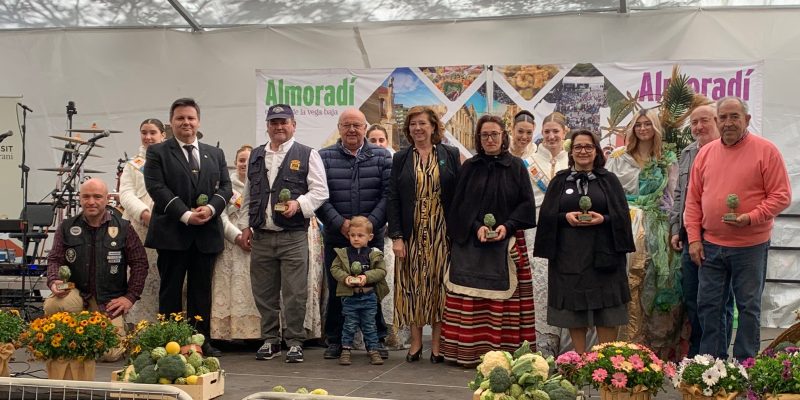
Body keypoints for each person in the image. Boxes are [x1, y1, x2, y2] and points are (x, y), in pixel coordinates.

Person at [685, 96, 791, 361]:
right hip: (710, 246)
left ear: (747, 120)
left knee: (748, 308)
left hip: (750, 246)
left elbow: (781, 196)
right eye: (723, 117)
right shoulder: (706, 153)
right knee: (709, 307)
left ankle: (746, 366)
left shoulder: (766, 151)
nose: (729, 123)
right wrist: (694, 239)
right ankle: (713, 365)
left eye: (735, 117)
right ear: (717, 121)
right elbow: (693, 200)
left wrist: (752, 217)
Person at [441, 114, 536, 366]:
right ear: (479, 139)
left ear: (504, 136)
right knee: (471, 300)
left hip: (508, 243)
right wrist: (476, 227)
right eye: (485, 135)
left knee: (504, 302)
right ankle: (468, 353)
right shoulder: (469, 167)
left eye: (495, 134)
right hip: (472, 241)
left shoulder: (516, 166)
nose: (490, 139)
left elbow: (526, 204)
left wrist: (507, 226)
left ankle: (504, 355)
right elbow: (458, 207)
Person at [239, 104, 329, 363]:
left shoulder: (307, 154)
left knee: (295, 292)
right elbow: (248, 196)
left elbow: (320, 191)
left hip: (293, 237)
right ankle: (270, 339)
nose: (279, 126)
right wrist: (246, 226)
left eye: (284, 122)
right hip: (262, 236)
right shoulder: (256, 155)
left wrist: (298, 205)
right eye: (274, 122)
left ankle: (295, 341)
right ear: (267, 126)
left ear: (293, 125)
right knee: (264, 292)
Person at [143, 98, 232, 357]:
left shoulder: (214, 153)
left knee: (201, 292)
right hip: (172, 233)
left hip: (206, 234)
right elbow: (156, 188)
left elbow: (226, 187)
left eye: (191, 118)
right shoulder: (158, 152)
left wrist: (212, 208)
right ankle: (169, 343)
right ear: (171, 123)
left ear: (198, 121)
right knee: (170, 291)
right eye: (180, 118)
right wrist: (185, 214)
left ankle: (199, 343)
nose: (186, 122)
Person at [533, 130, 635, 353]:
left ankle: (605, 360)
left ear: (596, 150)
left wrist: (603, 218)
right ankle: (579, 361)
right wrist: (565, 217)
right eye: (578, 147)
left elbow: (621, 216)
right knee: (574, 310)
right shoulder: (560, 180)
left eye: (588, 146)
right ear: (571, 151)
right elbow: (547, 216)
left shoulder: (609, 180)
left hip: (604, 257)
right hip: (569, 258)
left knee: (607, 310)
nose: (583, 151)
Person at [317, 108, 392, 360]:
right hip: (337, 236)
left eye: (357, 125)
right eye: (346, 125)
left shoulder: (382, 156)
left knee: (373, 284)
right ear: (339, 128)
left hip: (372, 237)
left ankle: (377, 339)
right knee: (338, 286)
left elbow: (388, 194)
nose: (352, 130)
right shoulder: (323, 157)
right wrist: (339, 223)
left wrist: (368, 226)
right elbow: (318, 194)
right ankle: (336, 340)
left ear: (365, 128)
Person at [45, 178, 148, 362]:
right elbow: (55, 259)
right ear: (80, 198)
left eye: (97, 197)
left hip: (107, 300)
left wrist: (129, 297)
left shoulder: (123, 228)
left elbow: (140, 263)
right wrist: (54, 280)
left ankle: (91, 334)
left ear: (107, 198)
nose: (91, 201)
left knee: (110, 354)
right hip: (76, 292)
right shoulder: (67, 227)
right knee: (53, 305)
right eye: (86, 196)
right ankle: (72, 337)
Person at [606, 108, 681, 360]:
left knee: (656, 283)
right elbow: (607, 192)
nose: (643, 128)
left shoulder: (666, 158)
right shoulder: (619, 157)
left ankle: (654, 348)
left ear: (656, 127)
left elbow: (673, 195)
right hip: (626, 226)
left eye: (648, 124)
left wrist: (672, 229)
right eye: (638, 124)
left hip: (656, 229)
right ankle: (626, 345)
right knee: (628, 282)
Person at [388, 106, 460, 363]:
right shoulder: (401, 158)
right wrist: (396, 236)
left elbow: (459, 196)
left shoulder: (450, 154)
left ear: (433, 127)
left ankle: (438, 345)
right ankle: (416, 343)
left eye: (422, 124)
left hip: (443, 231)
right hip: (412, 232)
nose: (417, 129)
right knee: (413, 286)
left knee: (441, 286)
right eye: (412, 125)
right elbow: (393, 198)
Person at [668, 102, 735, 358]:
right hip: (689, 236)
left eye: (704, 120)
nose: (699, 127)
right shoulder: (687, 153)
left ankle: (719, 357)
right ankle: (698, 354)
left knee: (720, 302)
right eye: (694, 122)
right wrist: (676, 228)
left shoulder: (729, 152)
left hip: (717, 238)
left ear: (717, 121)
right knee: (693, 299)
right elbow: (679, 194)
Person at [509, 111, 570, 356]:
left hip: (567, 229)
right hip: (535, 229)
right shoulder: (529, 162)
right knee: (538, 284)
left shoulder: (572, 160)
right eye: (547, 132)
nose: (552, 136)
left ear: (564, 133)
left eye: (556, 131)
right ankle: (540, 342)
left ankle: (566, 342)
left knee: (565, 281)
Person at [210, 144, 261, 341]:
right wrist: (237, 236)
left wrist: (251, 235)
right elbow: (220, 216)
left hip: (254, 243)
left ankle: (254, 333)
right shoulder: (226, 187)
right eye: (241, 160)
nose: (245, 165)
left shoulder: (259, 185)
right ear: (235, 163)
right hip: (230, 244)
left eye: (249, 161)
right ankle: (227, 333)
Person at [121, 118, 166, 325]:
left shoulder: (170, 160)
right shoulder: (132, 165)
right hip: (140, 226)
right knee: (141, 273)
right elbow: (126, 194)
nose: (148, 137)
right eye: (144, 132)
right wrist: (145, 213)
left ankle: (164, 322)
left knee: (163, 274)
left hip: (166, 224)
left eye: (153, 133)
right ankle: (138, 323)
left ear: (162, 135)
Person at [330, 216, 389, 366]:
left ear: (370, 237)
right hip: (350, 297)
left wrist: (366, 277)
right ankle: (346, 350)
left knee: (370, 325)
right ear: (348, 235)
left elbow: (381, 271)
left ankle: (373, 351)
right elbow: (334, 269)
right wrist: (345, 278)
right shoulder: (343, 253)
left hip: (368, 297)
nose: (356, 239)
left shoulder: (374, 254)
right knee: (349, 325)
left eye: (360, 235)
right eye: (352, 235)